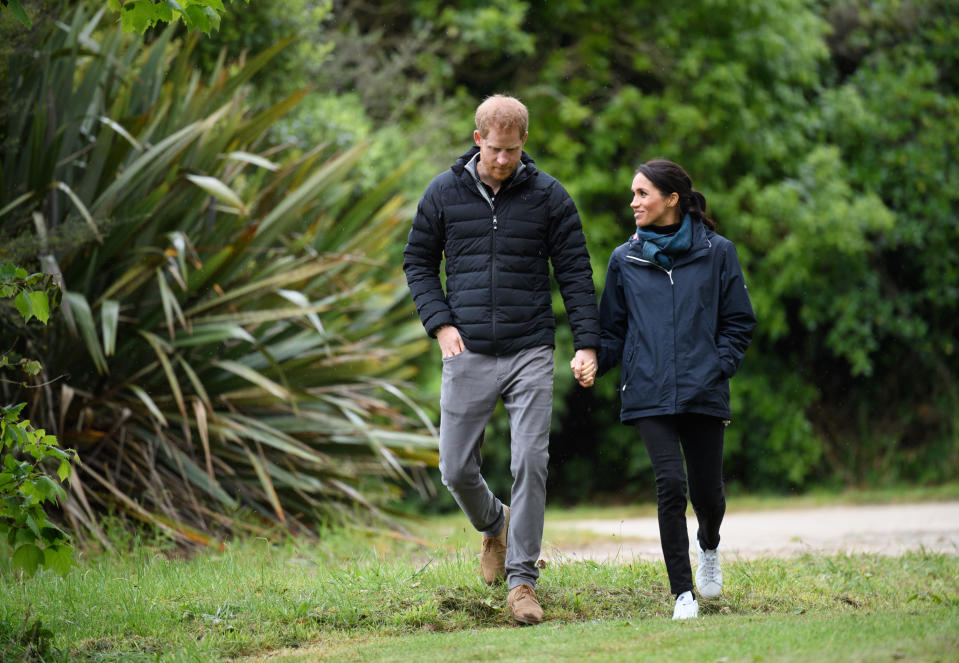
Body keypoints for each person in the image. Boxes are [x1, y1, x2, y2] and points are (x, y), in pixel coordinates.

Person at [403, 95, 600, 625]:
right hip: (466, 346)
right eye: (494, 150)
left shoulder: (550, 197)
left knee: (530, 462)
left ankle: (523, 583)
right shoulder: (443, 193)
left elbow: (576, 272)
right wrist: (440, 324)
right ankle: (494, 524)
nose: (503, 160)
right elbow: (417, 261)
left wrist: (587, 343)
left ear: (524, 144)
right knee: (453, 467)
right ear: (477, 141)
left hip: (530, 349)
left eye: (512, 151)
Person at [586, 158, 756, 619]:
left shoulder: (718, 252)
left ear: (672, 199)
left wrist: (719, 365)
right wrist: (594, 361)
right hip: (647, 391)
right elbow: (613, 332)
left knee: (708, 495)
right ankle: (683, 593)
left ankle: (709, 546)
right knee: (670, 485)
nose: (633, 202)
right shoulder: (625, 259)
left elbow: (740, 320)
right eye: (633, 194)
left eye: (642, 193)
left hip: (704, 389)